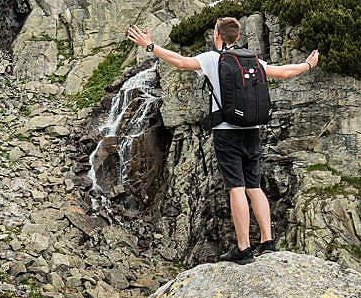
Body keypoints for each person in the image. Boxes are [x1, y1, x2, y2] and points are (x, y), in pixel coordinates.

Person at [125, 17, 319, 264]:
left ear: (217, 35)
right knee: (254, 185)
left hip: (227, 130)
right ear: (237, 37)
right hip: (252, 129)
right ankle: (268, 241)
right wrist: (307, 65)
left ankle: (243, 247)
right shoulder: (252, 60)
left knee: (235, 186)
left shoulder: (212, 59)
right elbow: (282, 72)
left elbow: (181, 62)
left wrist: (151, 46)